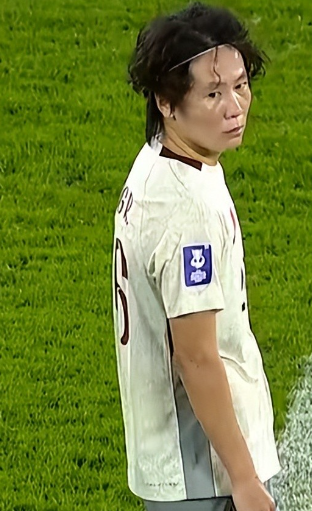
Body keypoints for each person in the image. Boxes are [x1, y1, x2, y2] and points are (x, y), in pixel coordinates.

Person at [111, 3, 279, 510]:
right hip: (202, 469)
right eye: (213, 93)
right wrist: (244, 479)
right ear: (166, 101)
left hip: (180, 459)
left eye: (240, 85)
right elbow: (196, 356)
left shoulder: (160, 162)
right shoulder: (186, 211)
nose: (235, 106)